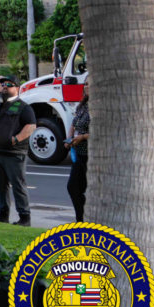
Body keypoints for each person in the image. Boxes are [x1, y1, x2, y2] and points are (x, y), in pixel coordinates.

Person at [0, 74, 38, 226]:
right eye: (3, 84)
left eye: (9, 84)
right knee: (0, 186)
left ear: (17, 88)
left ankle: (24, 218)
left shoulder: (24, 107)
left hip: (14, 154)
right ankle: (3, 215)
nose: (5, 87)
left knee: (18, 186)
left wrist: (16, 139)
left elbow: (31, 126)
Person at [64, 83, 90, 223]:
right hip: (79, 154)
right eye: (86, 83)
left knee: (91, 191)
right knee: (73, 188)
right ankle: (81, 222)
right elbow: (73, 125)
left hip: (92, 156)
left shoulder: (100, 106)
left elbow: (103, 132)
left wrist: (83, 137)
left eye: (91, 83)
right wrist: (69, 139)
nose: (87, 86)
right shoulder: (82, 105)